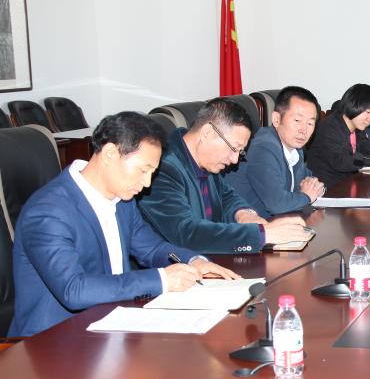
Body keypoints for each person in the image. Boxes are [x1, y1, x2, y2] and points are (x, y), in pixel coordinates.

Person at [9, 112, 240, 337]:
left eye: (152, 173)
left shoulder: (122, 200)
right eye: (143, 170)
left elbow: (152, 248)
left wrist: (194, 261)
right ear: (110, 153)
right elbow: (74, 290)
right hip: (55, 341)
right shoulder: (48, 212)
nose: (147, 183)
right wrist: (161, 279)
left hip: (113, 325)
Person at [138, 98, 310, 254]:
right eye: (233, 148)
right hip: (176, 268)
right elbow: (186, 233)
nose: (234, 160)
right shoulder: (161, 168)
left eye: (240, 152)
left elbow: (227, 196)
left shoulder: (204, 159)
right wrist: (262, 235)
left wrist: (245, 214)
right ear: (207, 133)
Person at [223, 86, 326, 219]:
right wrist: (307, 197)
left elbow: (307, 181)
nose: (303, 130)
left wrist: (315, 188)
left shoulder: (296, 148)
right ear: (276, 119)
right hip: (245, 226)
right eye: (297, 120)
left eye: (310, 123)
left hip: (276, 221)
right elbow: (277, 204)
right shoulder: (264, 148)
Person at [306, 83, 370, 188]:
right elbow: (341, 162)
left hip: (350, 183)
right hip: (327, 188)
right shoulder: (330, 127)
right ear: (353, 105)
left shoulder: (359, 127)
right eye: (368, 112)